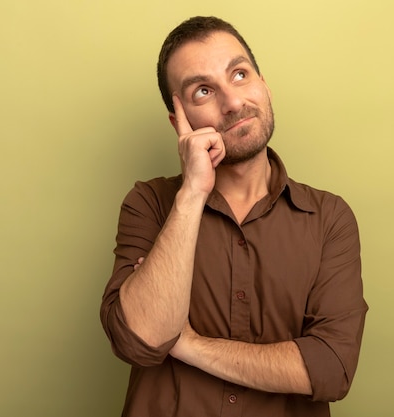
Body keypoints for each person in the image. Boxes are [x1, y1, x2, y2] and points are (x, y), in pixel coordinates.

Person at [100, 16, 368, 417]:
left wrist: (188, 345)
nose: (233, 102)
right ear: (179, 122)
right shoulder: (150, 204)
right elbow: (141, 340)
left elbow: (331, 369)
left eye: (239, 74)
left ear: (264, 85)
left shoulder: (329, 218)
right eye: (203, 90)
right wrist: (191, 193)